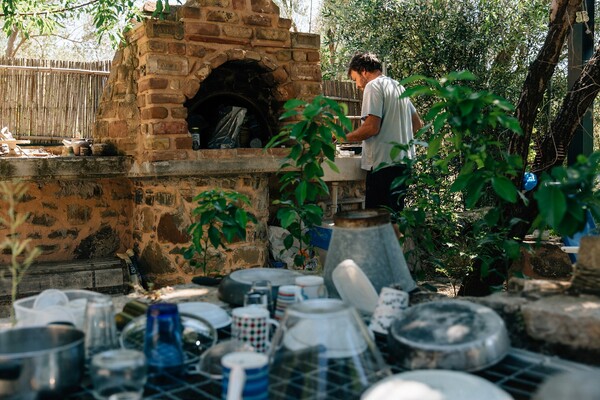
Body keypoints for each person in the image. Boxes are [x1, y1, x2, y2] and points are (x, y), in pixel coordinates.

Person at [344, 52, 423, 212]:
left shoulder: (373, 86)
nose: (357, 85)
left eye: (355, 79)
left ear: (364, 71)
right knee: (394, 218)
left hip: (383, 166)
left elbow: (372, 127)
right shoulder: (398, 86)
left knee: (377, 222)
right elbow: (418, 124)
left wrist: (343, 137)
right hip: (403, 164)